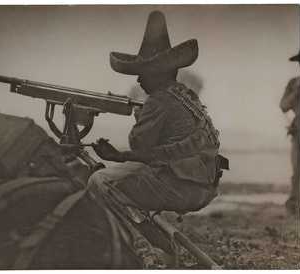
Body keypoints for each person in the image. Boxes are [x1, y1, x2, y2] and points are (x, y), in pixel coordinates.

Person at [88, 11, 224, 213]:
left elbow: (139, 144)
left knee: (99, 181)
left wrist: (139, 116)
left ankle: (135, 241)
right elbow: (168, 151)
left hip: (183, 189)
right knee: (131, 173)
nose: (138, 80)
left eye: (143, 73)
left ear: (159, 74)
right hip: (204, 188)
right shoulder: (186, 95)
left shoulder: (158, 100)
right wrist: (119, 156)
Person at [280, 50, 300, 214]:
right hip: (298, 132)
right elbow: (284, 106)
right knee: (297, 170)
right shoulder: (294, 83)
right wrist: (297, 90)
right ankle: (294, 204)